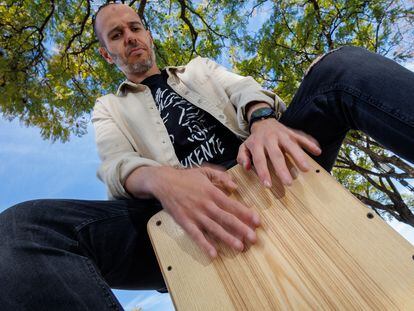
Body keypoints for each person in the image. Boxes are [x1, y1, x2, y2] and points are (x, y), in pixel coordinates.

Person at [0, 2, 412, 310]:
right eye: (115, 35)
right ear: (109, 54)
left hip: (267, 168)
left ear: (148, 35)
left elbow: (241, 89)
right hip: (177, 221)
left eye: (134, 27)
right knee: (20, 229)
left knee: (341, 67)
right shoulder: (109, 106)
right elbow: (114, 165)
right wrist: (163, 180)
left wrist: (263, 119)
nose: (129, 37)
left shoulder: (197, 69)